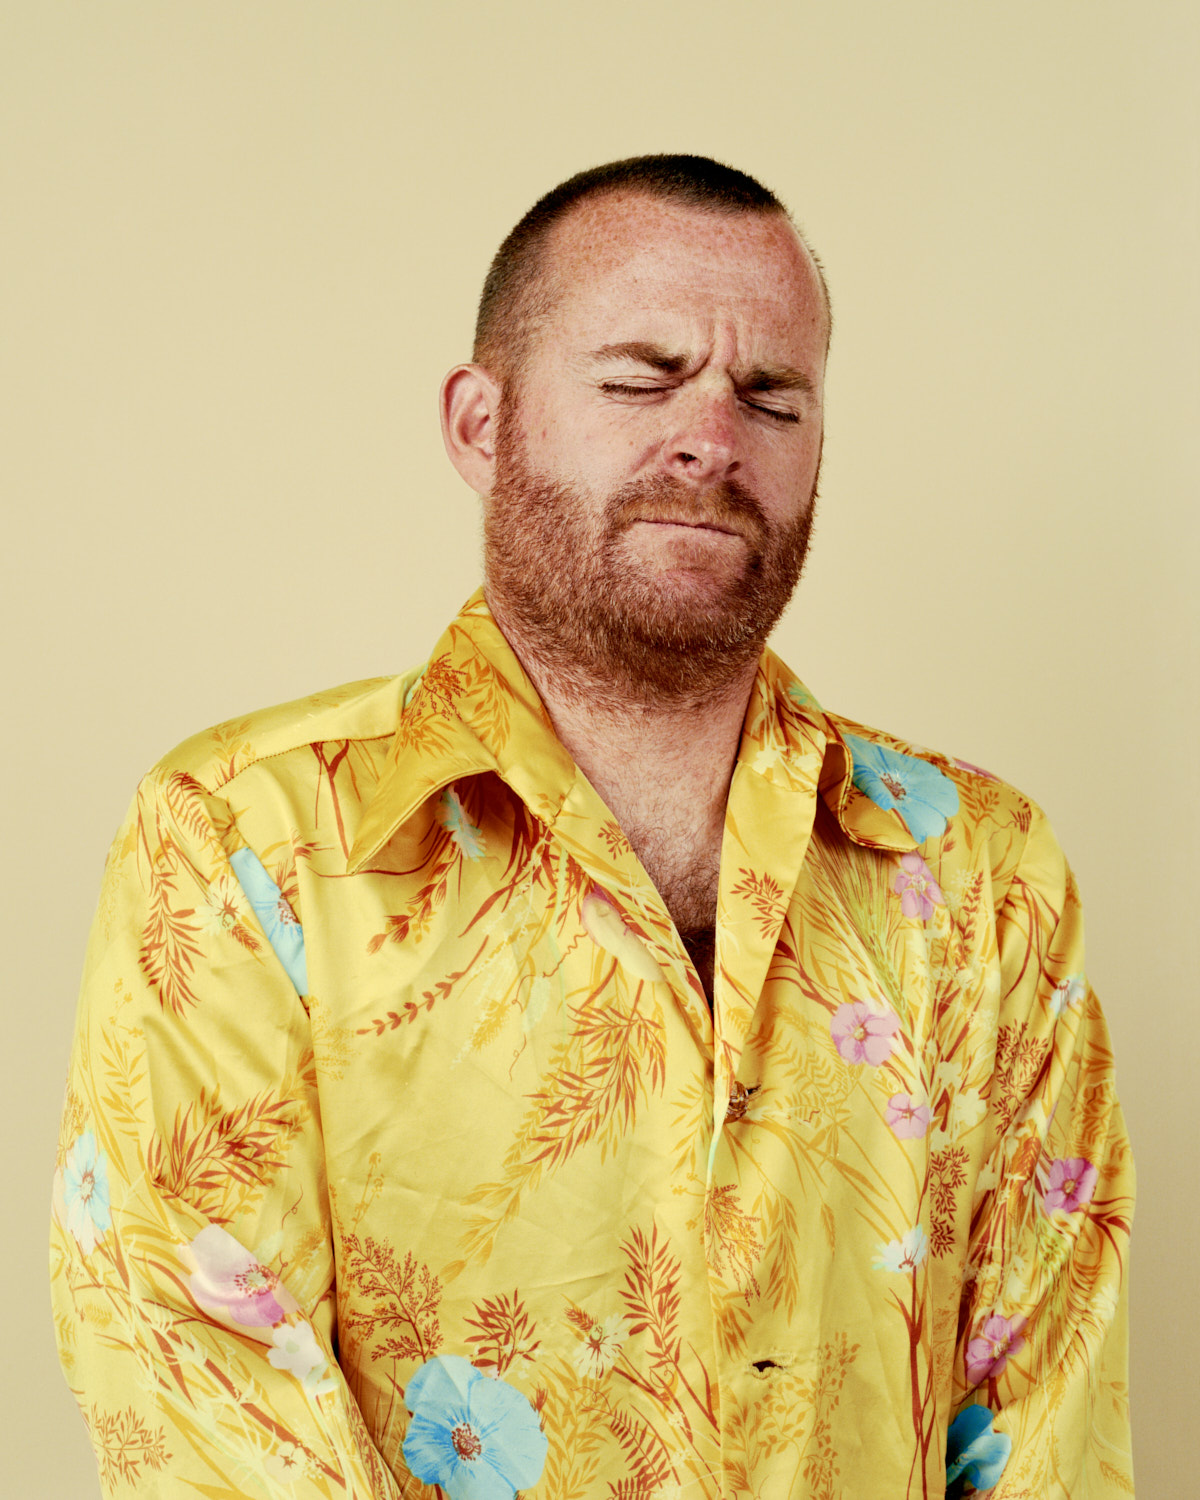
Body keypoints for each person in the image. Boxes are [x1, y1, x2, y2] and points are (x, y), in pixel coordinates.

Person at [51, 155, 1133, 1499]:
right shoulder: (243, 840)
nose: (711, 438)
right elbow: (202, 1394)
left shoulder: (980, 872)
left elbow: (1045, 1415)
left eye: (772, 398)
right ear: (480, 425)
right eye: (640, 379)